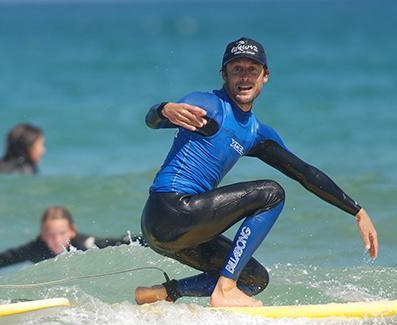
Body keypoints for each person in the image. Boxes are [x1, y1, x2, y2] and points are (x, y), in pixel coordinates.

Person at [135, 37, 377, 308]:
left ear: (265, 76)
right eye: (236, 69)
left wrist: (357, 211)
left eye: (252, 70)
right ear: (224, 75)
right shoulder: (210, 107)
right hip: (170, 209)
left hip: (176, 234)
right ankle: (224, 291)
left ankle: (162, 293)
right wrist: (164, 109)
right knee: (272, 193)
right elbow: (153, 121)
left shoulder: (256, 134)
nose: (244, 77)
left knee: (254, 279)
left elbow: (305, 173)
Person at [0, 206, 138, 280]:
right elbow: (0, 259)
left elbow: (121, 242)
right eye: (50, 235)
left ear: (72, 231)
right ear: (42, 235)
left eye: (62, 233)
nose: (56, 240)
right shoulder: (36, 248)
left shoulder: (85, 244)